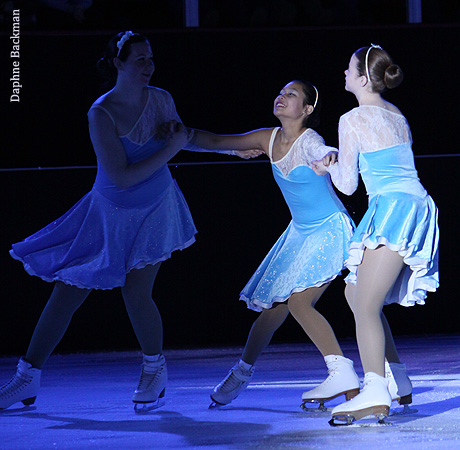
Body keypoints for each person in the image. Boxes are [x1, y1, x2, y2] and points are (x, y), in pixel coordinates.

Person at [0, 31, 257, 413]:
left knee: (137, 292)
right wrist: (171, 149)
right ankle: (27, 376)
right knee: (66, 292)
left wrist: (238, 147)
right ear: (118, 63)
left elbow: (185, 136)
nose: (148, 66)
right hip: (108, 214)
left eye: (150, 58)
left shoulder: (161, 99)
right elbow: (120, 176)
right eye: (140, 59)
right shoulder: (101, 112)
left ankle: (154, 370)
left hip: (156, 209)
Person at [188, 80, 360, 409]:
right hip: (299, 234)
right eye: (281, 92)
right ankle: (241, 373)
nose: (281, 96)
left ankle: (343, 375)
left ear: (307, 109)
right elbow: (216, 141)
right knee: (272, 311)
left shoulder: (309, 140)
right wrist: (177, 136)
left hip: (329, 229)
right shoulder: (267, 138)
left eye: (291, 94)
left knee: (299, 303)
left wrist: (329, 157)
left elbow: (321, 150)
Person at [312, 45, 439, 425]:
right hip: (412, 205)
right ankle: (396, 376)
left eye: (349, 68)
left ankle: (375, 390)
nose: (344, 73)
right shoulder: (396, 113)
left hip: (394, 208)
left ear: (364, 78)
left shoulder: (352, 118)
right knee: (355, 294)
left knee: (366, 306)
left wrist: (326, 167)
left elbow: (348, 185)